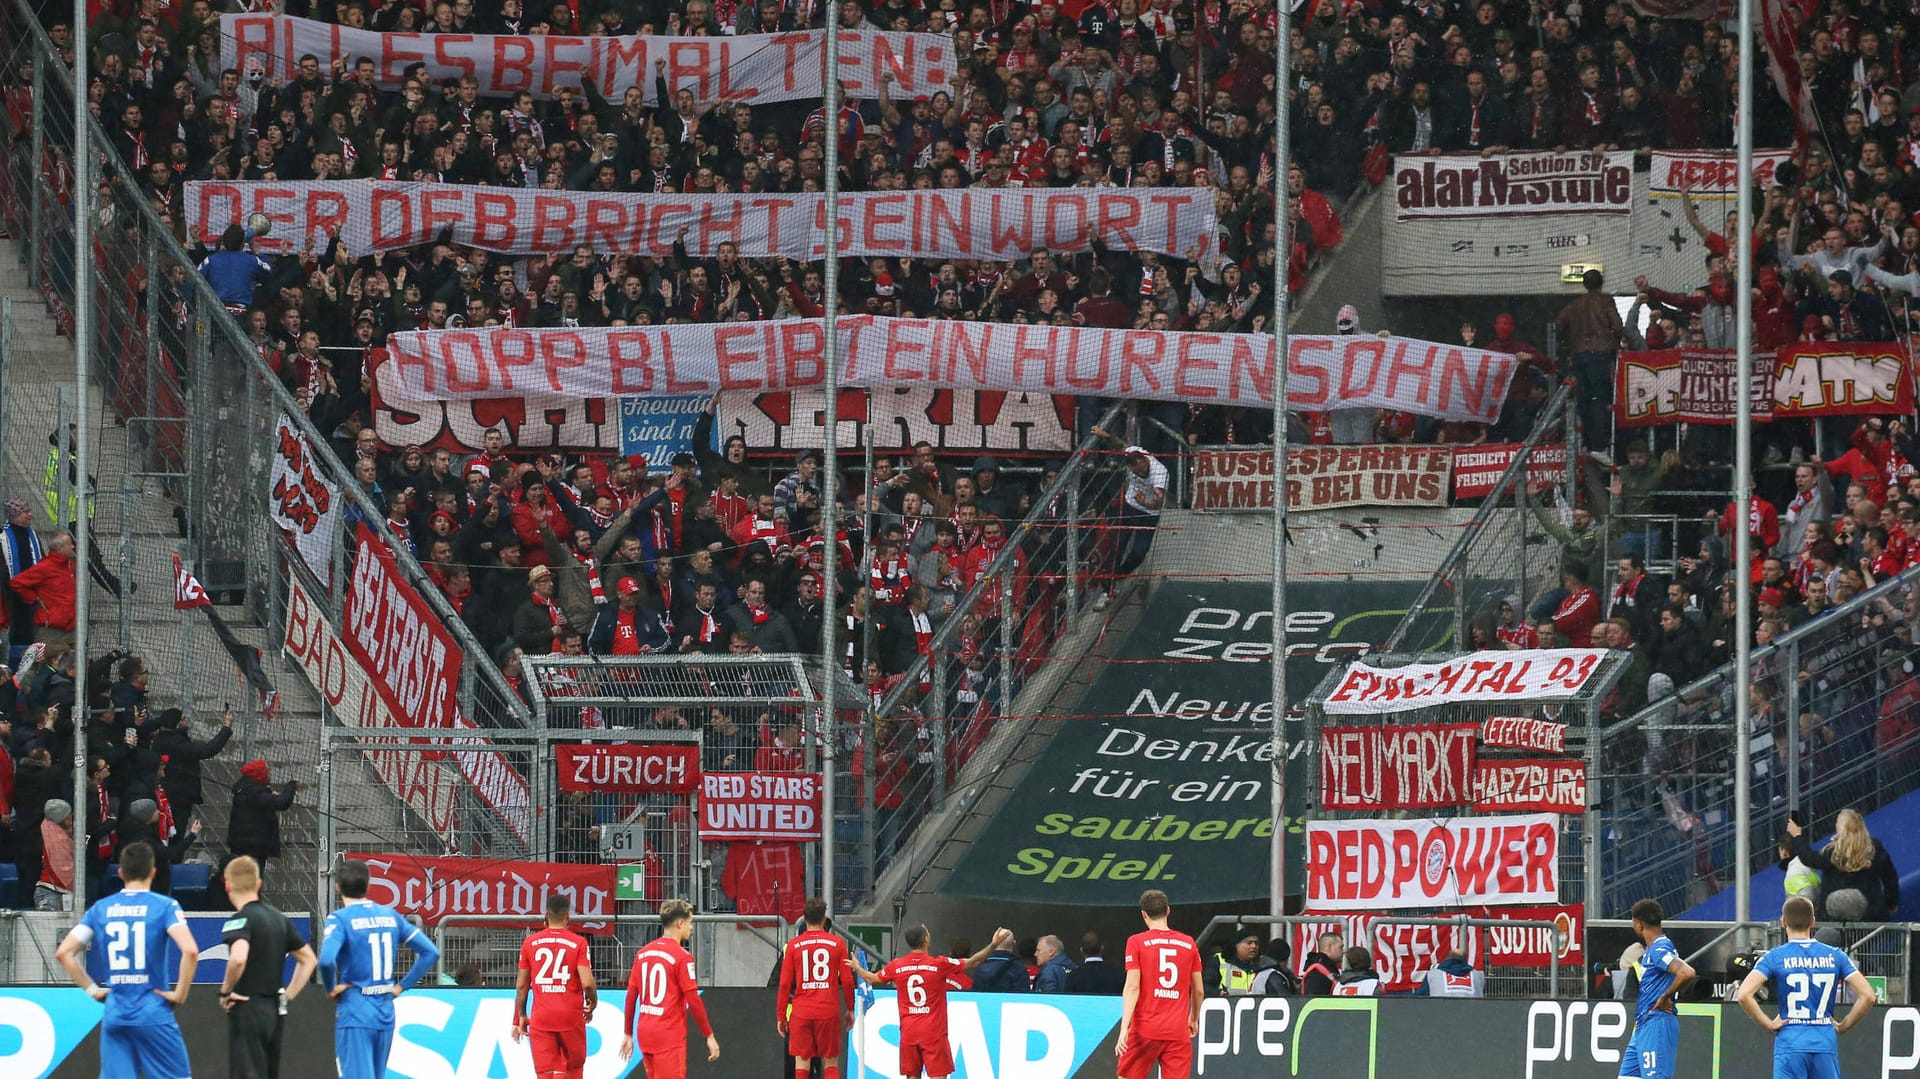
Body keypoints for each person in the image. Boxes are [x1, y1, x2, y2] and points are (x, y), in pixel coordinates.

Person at [55, 840, 200, 1079]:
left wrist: (93, 990)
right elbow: (190, 951)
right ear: (153, 872)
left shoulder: (100, 909)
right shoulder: (165, 906)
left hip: (116, 1013)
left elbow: (64, 953)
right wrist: (180, 994)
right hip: (153, 1012)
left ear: (121, 873)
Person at [319, 859, 441, 1079]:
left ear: (337, 886)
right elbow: (431, 952)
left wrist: (330, 989)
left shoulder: (339, 919)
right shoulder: (389, 915)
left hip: (356, 1009)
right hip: (385, 1009)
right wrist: (401, 986)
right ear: (368, 885)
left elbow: (327, 961)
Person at [1735, 895, 1878, 1079]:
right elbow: (1867, 996)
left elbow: (1744, 994)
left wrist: (1769, 1024)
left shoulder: (1774, 957)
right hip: (1824, 1040)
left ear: (1783, 921)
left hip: (1790, 1041)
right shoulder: (1836, 956)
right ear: (1813, 921)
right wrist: (1843, 1026)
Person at [848, 925, 1013, 1079]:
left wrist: (858, 968)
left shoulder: (896, 966)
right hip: (933, 1033)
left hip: (909, 1033)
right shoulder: (939, 964)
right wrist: (992, 945)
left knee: (912, 1076)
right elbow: (973, 962)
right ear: (926, 939)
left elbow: (873, 978)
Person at [220, 855, 319, 1079]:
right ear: (258, 884)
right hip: (274, 1010)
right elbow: (308, 959)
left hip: (247, 1006)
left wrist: (226, 991)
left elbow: (237, 959)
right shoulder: (278, 918)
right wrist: (287, 995)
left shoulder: (240, 920)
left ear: (227, 885)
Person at [620, 898, 720, 1077]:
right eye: (690, 923)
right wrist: (709, 1035)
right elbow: (693, 1000)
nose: (691, 928)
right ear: (680, 923)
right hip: (668, 1037)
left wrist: (628, 1033)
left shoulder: (642, 953)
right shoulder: (682, 957)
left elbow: (631, 996)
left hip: (645, 1033)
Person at [1118, 889, 1202, 1079]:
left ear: (1144, 915)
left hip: (1145, 1029)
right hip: (1177, 1031)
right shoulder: (1189, 943)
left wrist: (1124, 1028)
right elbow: (1198, 991)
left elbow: (1132, 987)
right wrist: (1194, 1018)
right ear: (1168, 911)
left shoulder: (1136, 942)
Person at [512, 893, 597, 1079]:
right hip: (570, 1018)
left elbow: (521, 985)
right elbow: (588, 984)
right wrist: (592, 1003)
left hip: (542, 1018)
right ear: (568, 917)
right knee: (573, 1069)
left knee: (545, 1072)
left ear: (546, 916)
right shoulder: (579, 943)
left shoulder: (530, 943)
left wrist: (519, 1016)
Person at [776, 895, 853, 1079]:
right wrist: (850, 1008)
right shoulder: (838, 944)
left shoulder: (794, 946)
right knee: (831, 1062)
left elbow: (785, 983)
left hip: (802, 1012)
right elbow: (848, 981)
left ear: (804, 918)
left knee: (802, 1063)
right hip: (828, 1010)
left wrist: (781, 1016)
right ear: (825, 919)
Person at [1621, 898, 1695, 1079]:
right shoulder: (1655, 948)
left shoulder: (1659, 948)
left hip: (1657, 1022)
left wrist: (1664, 997)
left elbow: (1687, 972)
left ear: (1639, 924)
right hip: (1643, 1025)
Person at [1786, 810, 1902, 922]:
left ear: (1841, 827)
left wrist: (1798, 836)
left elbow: (1808, 858)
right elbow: (1890, 878)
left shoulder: (1833, 853)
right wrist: (1890, 903)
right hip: (1870, 914)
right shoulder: (1875, 850)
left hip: (1835, 918)